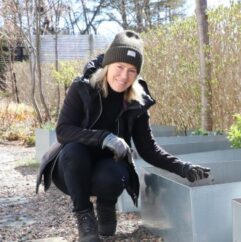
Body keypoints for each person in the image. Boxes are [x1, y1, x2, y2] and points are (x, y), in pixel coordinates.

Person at [36, 30, 211, 242]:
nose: (124, 76)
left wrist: (183, 167)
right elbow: (63, 131)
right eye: (119, 67)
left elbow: (149, 149)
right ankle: (84, 216)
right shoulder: (83, 87)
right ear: (108, 65)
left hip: (108, 170)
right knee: (74, 150)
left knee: (114, 173)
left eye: (132, 70)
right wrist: (104, 137)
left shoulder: (136, 102)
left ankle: (106, 203)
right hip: (71, 170)